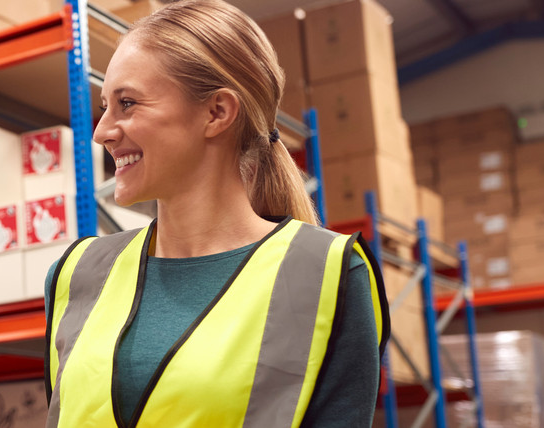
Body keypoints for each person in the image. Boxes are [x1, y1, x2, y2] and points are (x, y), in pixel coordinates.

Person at [43, 1, 391, 427]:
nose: (102, 132)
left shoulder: (327, 275)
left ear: (217, 112)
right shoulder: (76, 274)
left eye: (127, 103)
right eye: (105, 106)